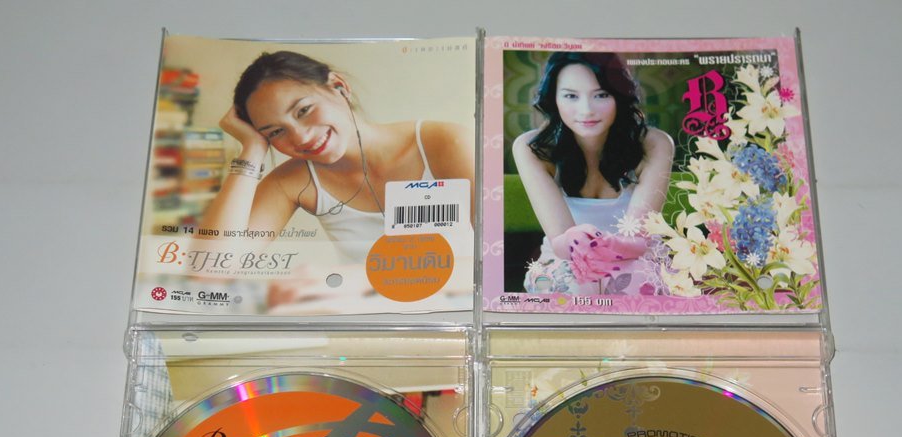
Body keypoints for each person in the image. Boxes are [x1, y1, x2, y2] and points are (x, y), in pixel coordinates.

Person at [200, 51, 473, 307]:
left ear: (339, 86)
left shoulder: (446, 144)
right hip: (366, 326)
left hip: (458, 318)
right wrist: (251, 149)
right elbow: (209, 273)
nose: (301, 137)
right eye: (275, 132)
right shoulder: (294, 181)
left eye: (303, 110)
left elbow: (492, 265)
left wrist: (362, 279)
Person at [512, 52, 674, 296]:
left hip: (637, 256)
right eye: (571, 96)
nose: (586, 110)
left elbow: (637, 239)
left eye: (601, 95)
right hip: (566, 256)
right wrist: (578, 240)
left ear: (619, 96)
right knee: (571, 283)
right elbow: (561, 241)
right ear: (554, 98)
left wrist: (602, 243)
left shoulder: (654, 144)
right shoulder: (532, 148)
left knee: (634, 283)